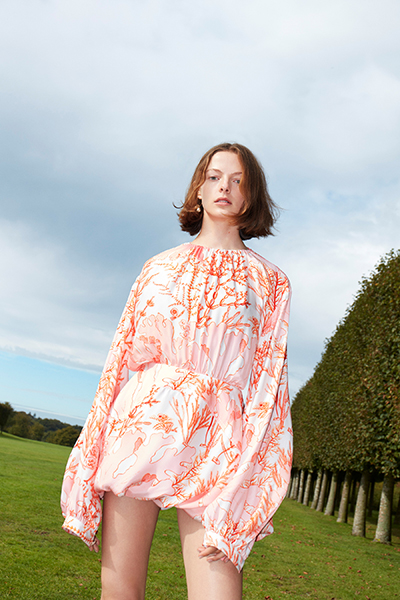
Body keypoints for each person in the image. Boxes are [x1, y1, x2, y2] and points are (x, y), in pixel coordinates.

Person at [61, 142, 292, 600]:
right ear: (198, 190)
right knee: (119, 590)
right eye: (214, 177)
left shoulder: (271, 282)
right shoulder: (158, 267)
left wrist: (251, 477)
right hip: (140, 426)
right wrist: (91, 448)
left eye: (238, 180)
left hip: (218, 441)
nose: (225, 187)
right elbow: (118, 361)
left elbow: (270, 384)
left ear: (252, 195)